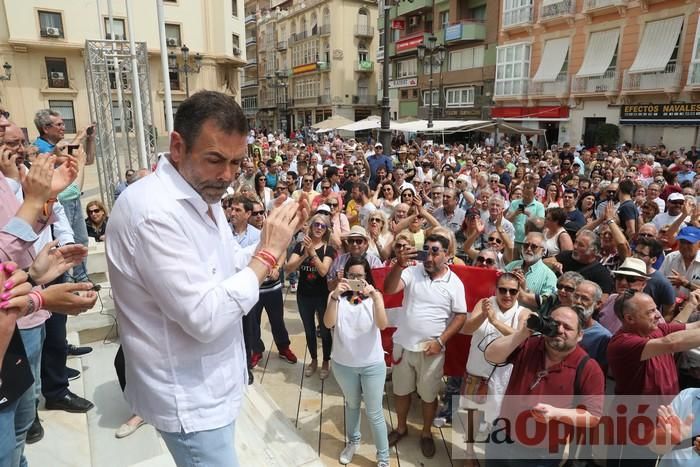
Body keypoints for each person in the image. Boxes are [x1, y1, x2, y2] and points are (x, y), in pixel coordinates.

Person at [106, 91, 305, 466]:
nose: (228, 176)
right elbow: (205, 316)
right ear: (178, 146)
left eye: (236, 162)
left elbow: (227, 264)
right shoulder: (154, 213)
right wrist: (265, 255)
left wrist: (277, 238)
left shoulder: (203, 196)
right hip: (190, 399)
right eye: (215, 159)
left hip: (214, 385)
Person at [484, 306, 605, 466]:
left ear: (580, 335)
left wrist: (555, 413)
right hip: (501, 437)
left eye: (568, 327)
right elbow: (491, 355)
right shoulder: (530, 344)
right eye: (555, 324)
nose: (560, 330)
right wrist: (523, 333)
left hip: (541, 453)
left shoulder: (588, 367)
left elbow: (593, 416)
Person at [384, 233, 467, 458]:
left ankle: (427, 433)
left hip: (432, 351)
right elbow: (389, 289)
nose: (428, 256)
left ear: (448, 255)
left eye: (435, 251)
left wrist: (440, 342)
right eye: (426, 250)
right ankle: (401, 427)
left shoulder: (455, 283)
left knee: (429, 396)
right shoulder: (411, 271)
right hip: (403, 346)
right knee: (400, 392)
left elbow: (460, 316)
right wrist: (398, 266)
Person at [324, 257, 390, 467]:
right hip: (343, 364)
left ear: (367, 277)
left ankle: (383, 458)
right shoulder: (336, 298)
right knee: (352, 405)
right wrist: (335, 296)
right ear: (345, 276)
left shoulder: (374, 297)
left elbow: (382, 324)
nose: (355, 280)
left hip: (372, 364)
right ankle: (353, 442)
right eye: (351, 275)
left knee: (374, 412)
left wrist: (376, 297)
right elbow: (328, 323)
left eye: (359, 276)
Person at [459, 273, 525, 467]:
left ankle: (492, 455)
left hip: (504, 377)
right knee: (472, 415)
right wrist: (483, 316)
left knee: (498, 419)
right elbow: (466, 329)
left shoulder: (522, 313)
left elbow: (521, 337)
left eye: (512, 291)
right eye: (502, 289)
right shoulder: (485, 303)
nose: (507, 294)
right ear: (495, 290)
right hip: (477, 370)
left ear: (518, 292)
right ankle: (469, 455)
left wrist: (495, 321)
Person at [285, 213, 336, 379]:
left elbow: (323, 271)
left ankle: (326, 361)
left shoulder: (328, 249)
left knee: (325, 330)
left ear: (326, 229)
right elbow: (289, 268)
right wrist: (305, 255)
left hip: (321, 295)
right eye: (316, 224)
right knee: (309, 330)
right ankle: (314, 360)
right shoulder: (300, 246)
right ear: (311, 226)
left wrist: (313, 253)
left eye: (322, 225)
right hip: (304, 295)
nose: (319, 228)